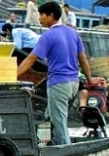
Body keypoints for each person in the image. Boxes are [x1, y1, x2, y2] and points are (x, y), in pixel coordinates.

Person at [18, 2, 93, 146]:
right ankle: (49, 141)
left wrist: (13, 75)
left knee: (58, 122)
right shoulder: (72, 32)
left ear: (51, 16)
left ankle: (66, 151)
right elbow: (83, 59)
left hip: (58, 84)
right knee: (50, 115)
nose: (39, 18)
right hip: (73, 83)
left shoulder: (48, 36)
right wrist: (89, 80)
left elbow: (31, 59)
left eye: (41, 15)